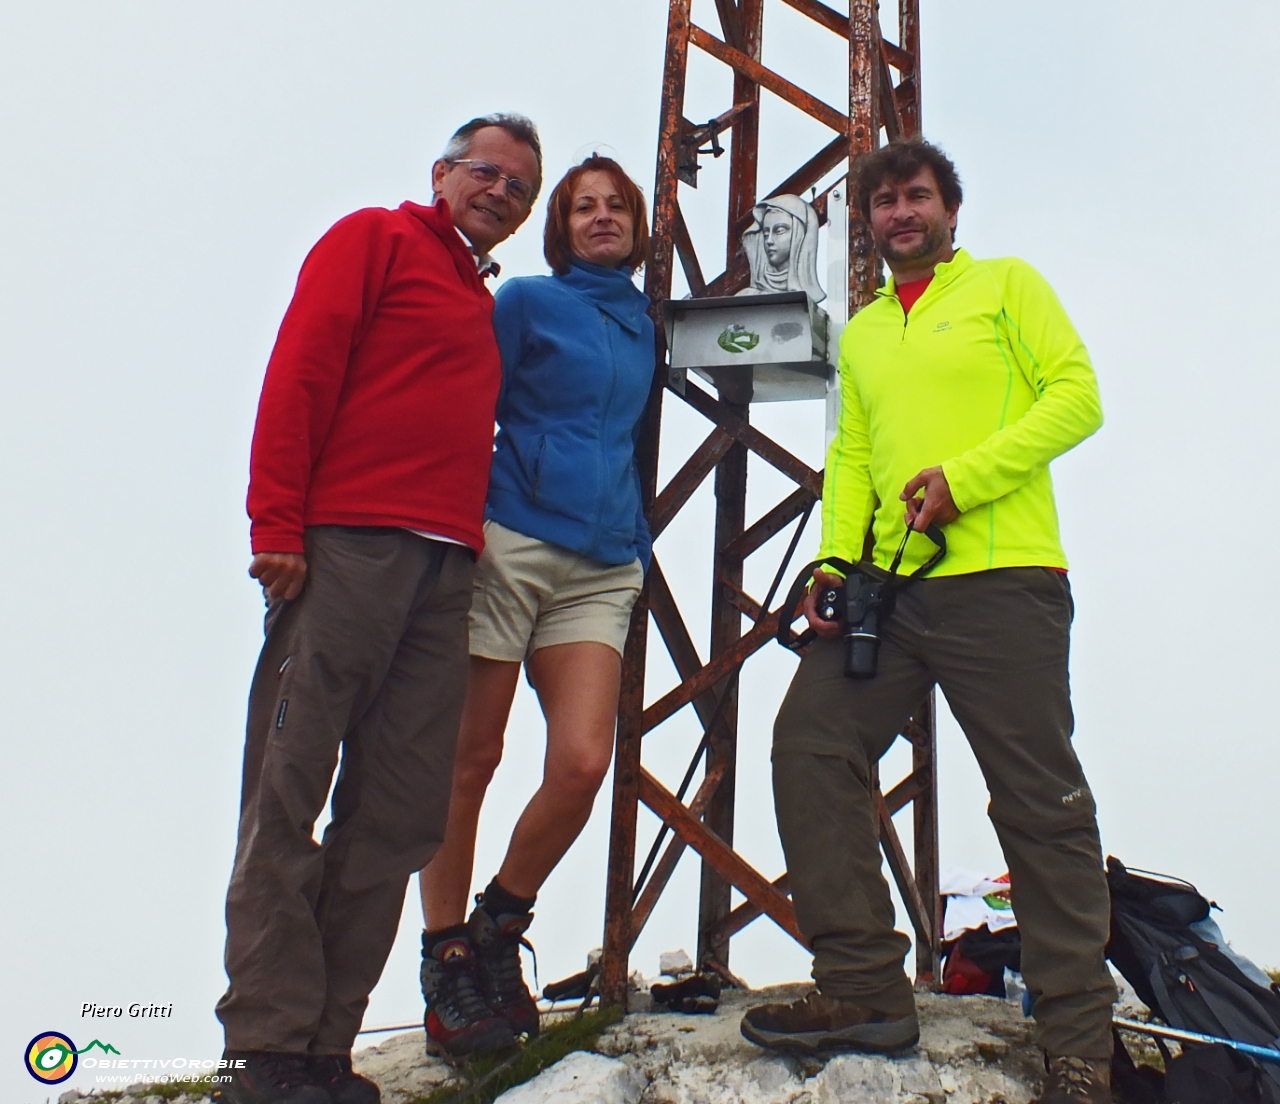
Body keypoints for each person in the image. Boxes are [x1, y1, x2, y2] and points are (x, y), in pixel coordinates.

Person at [741, 138, 1115, 1104]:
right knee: (810, 744)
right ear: (866, 224)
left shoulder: (1006, 286)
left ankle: (1079, 1040)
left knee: (1037, 799)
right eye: (884, 203)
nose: (901, 213)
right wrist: (834, 561)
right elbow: (854, 454)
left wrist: (966, 479)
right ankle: (864, 987)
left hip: (1005, 579)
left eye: (918, 196)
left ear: (950, 209)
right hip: (889, 591)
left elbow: (1078, 398)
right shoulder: (865, 330)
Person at [215, 114, 542, 1104]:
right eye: (486, 172)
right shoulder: (375, 239)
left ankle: (324, 1050)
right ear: (440, 173)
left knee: (395, 816)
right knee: (289, 792)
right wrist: (275, 518)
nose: (500, 193)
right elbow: (302, 368)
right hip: (347, 550)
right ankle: (267, 1048)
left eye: (519, 188)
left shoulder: (475, 296)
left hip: (446, 578)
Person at [415, 154, 653, 1060]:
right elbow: (471, 404)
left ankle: (499, 924)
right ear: (561, 229)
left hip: (602, 563)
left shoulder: (643, 322)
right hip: (511, 540)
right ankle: (446, 959)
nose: (601, 218)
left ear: (637, 222)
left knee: (584, 763)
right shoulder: (524, 302)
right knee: (471, 754)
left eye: (616, 206)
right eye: (583, 207)